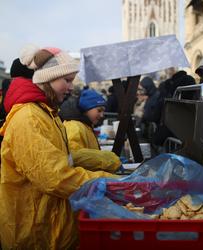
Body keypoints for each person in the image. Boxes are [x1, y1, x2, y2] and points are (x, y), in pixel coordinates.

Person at [0, 47, 118, 249]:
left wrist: (107, 161)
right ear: (46, 79)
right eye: (67, 80)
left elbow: (65, 157)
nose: (72, 87)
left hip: (51, 225)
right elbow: (55, 177)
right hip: (35, 234)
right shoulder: (29, 118)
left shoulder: (45, 112)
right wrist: (111, 183)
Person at [59, 88, 120, 173]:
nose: (102, 115)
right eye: (99, 110)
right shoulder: (74, 126)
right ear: (86, 109)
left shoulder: (85, 125)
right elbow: (75, 155)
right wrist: (109, 159)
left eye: (103, 111)